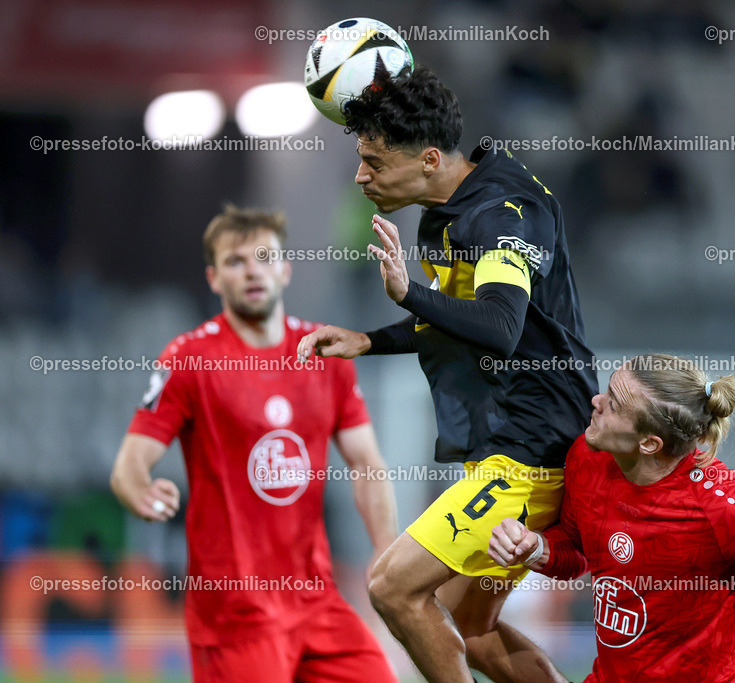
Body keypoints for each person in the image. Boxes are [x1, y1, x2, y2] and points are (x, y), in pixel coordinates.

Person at [297, 67, 597, 683]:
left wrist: (407, 293)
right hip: (513, 440)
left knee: (391, 587)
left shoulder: (500, 215)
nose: (361, 177)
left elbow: (498, 325)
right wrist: (369, 341)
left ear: (429, 158)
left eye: (374, 163)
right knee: (474, 631)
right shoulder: (450, 205)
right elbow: (460, 320)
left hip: (531, 451)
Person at [110, 205, 399, 682]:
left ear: (285, 269)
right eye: (235, 261)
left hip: (316, 599)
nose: (252, 271)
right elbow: (129, 465)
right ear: (213, 278)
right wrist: (138, 490)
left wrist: (386, 552)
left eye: (264, 257)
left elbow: (366, 461)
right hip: (233, 613)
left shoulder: (324, 351)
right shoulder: (190, 358)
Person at [489, 354, 735, 682]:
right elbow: (578, 554)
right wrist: (534, 547)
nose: (596, 400)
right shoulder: (587, 457)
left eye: (615, 403)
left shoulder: (726, 505)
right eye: (607, 388)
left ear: (649, 443)